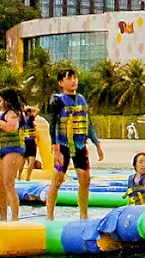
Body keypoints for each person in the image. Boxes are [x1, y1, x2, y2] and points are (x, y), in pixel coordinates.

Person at [46, 68, 104, 220]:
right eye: (69, 78)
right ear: (61, 83)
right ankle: (49, 216)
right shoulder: (57, 100)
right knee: (57, 179)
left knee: (85, 180)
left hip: (79, 145)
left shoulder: (82, 100)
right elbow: (52, 125)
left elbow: (88, 123)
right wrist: (55, 148)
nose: (73, 81)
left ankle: (83, 215)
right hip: (62, 145)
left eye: (75, 78)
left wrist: (96, 143)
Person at [0, 88, 26, 221]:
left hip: (13, 150)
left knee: (8, 184)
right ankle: (3, 216)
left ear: (7, 101)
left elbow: (12, 127)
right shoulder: (4, 114)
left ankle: (15, 217)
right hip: (2, 151)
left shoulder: (12, 113)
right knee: (0, 185)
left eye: (0, 101)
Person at [21, 105, 40, 180]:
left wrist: (26, 109)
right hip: (30, 142)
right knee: (31, 161)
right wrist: (30, 107)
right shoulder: (30, 119)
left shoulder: (22, 120)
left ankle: (19, 176)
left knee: (23, 160)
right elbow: (37, 110)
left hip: (25, 142)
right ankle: (27, 177)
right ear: (29, 113)